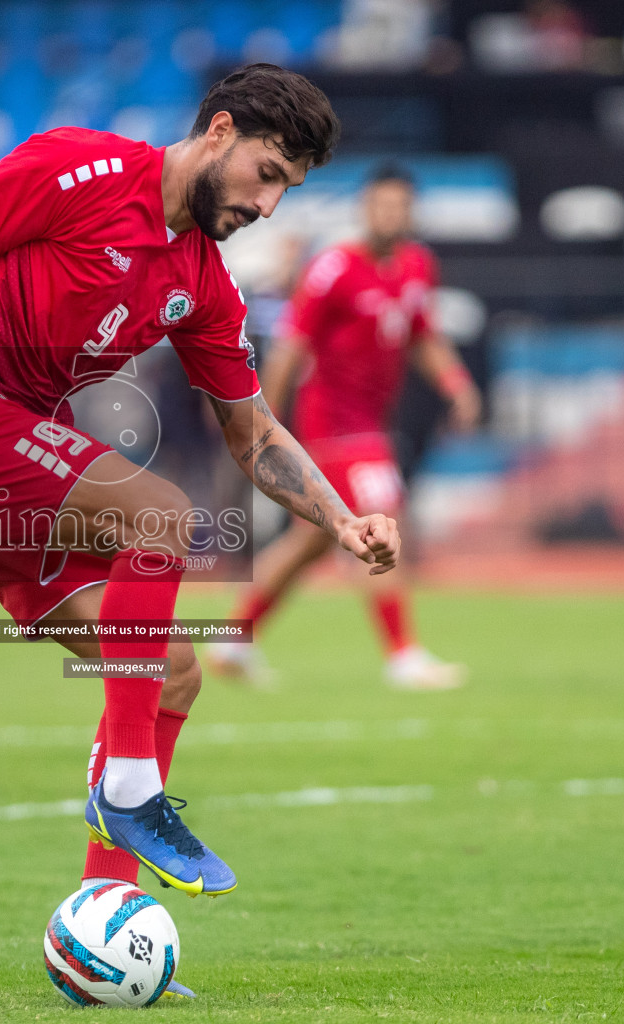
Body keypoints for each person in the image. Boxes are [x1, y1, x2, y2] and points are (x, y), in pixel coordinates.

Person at [0, 64, 399, 914]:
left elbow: (254, 432)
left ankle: (101, 923)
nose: (268, 207)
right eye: (268, 176)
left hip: (3, 468)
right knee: (160, 515)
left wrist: (341, 521)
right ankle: (127, 792)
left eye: (287, 193)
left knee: (175, 673)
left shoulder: (203, 285)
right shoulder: (76, 167)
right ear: (220, 131)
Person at [209, 163, 481, 691]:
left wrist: (456, 384)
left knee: (308, 543)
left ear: (411, 212)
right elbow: (291, 344)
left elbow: (422, 333)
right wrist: (264, 423)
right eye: (381, 205)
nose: (390, 215)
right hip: (333, 425)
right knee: (385, 518)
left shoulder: (417, 267)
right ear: (365, 210)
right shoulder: (333, 268)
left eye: (400, 206)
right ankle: (403, 655)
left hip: (371, 423)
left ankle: (233, 639)